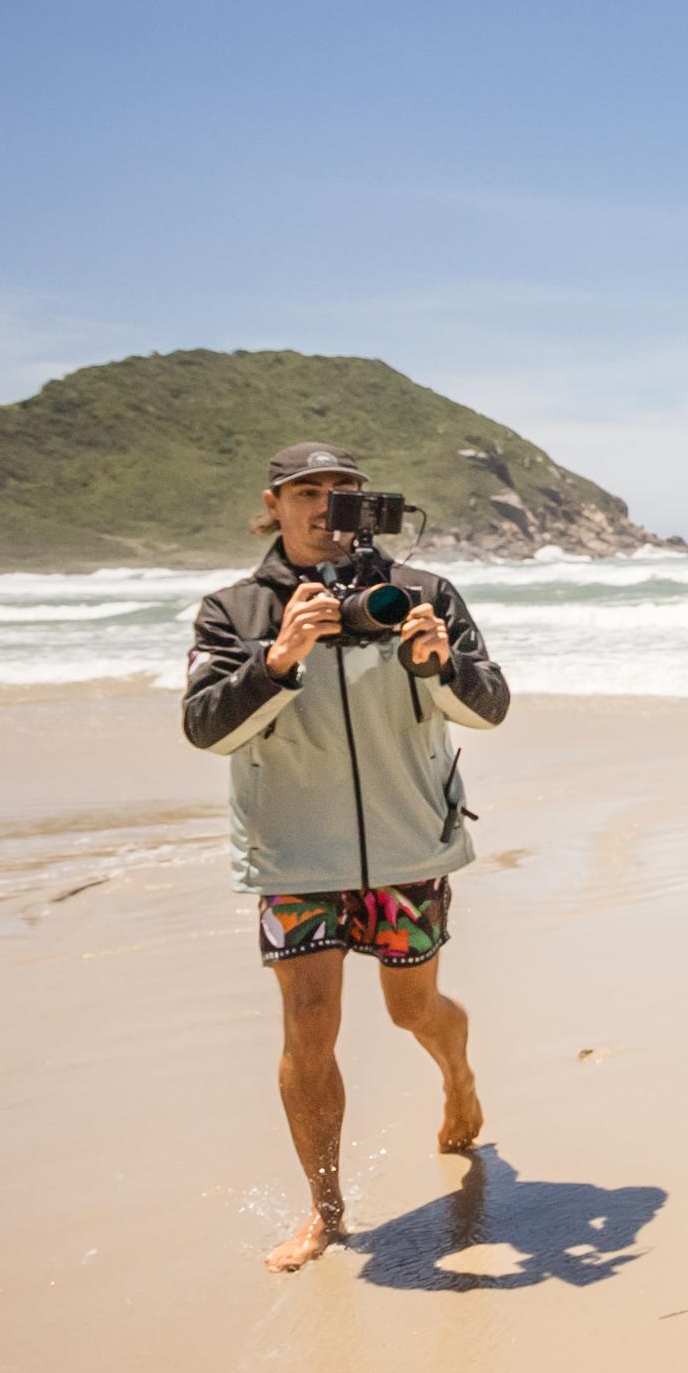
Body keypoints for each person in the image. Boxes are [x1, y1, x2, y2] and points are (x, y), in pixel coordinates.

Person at [182, 442, 512, 1273]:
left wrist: (436, 664)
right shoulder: (233, 611)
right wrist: (280, 656)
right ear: (275, 503)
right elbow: (206, 728)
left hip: (408, 845)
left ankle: (459, 1079)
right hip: (296, 855)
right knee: (309, 1029)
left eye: (344, 492)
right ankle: (326, 1212)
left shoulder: (424, 595)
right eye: (309, 492)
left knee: (412, 1009)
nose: (327, 506)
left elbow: (492, 707)